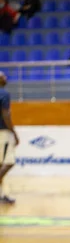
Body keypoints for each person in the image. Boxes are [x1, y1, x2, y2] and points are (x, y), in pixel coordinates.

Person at [0, 72, 19, 204]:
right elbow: (6, 114)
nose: (6, 77)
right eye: (3, 76)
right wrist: (14, 132)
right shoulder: (3, 94)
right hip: (3, 133)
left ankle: (2, 195)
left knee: (1, 164)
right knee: (9, 162)